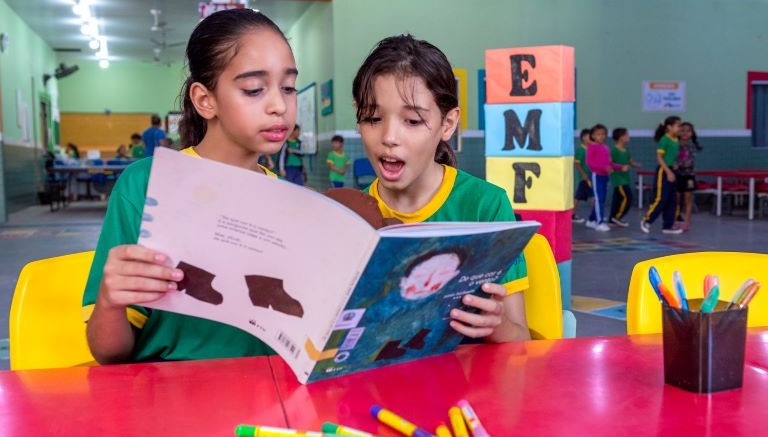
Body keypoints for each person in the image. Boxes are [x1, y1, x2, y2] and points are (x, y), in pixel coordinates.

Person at [82, 9, 298, 364]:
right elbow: (108, 353)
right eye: (254, 89)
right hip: (163, 396)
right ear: (204, 100)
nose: (280, 106)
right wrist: (109, 300)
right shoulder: (146, 185)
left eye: (288, 87)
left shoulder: (289, 199)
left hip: (267, 397)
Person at [353, 34, 530, 342]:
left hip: (467, 385)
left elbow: (520, 339)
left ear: (448, 124)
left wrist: (493, 325)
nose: (389, 136)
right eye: (373, 118)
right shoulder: (350, 216)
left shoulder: (485, 206)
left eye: (411, 121)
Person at [641, 116, 683, 234]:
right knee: (661, 198)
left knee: (672, 200)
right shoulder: (664, 139)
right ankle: (646, 221)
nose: (680, 128)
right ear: (669, 127)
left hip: (671, 170)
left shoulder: (676, 139)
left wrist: (674, 165)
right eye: (678, 125)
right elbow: (659, 157)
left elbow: (671, 156)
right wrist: (668, 171)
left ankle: (667, 226)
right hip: (663, 171)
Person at [585, 124, 620, 232]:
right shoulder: (591, 147)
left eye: (603, 134)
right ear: (593, 136)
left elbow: (609, 163)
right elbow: (590, 163)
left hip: (605, 176)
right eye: (598, 134)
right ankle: (600, 222)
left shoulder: (605, 147)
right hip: (597, 176)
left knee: (602, 199)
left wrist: (619, 167)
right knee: (599, 199)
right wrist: (604, 167)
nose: (601, 136)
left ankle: (591, 220)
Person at [608, 127, 641, 227]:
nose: (628, 137)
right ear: (621, 138)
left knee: (617, 200)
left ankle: (611, 219)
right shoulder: (614, 150)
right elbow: (609, 163)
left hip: (625, 178)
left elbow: (629, 161)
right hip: (619, 179)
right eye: (626, 135)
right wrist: (618, 168)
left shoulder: (625, 150)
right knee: (627, 197)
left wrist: (635, 164)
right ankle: (617, 217)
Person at [675, 121, 701, 232]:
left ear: (691, 133)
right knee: (676, 198)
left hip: (688, 176)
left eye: (688, 131)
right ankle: (675, 219)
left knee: (688, 198)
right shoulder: (674, 144)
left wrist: (678, 165)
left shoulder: (691, 146)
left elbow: (689, 161)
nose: (685, 133)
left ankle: (687, 222)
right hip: (676, 175)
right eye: (682, 130)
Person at [572, 129, 593, 223]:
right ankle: (596, 215)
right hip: (585, 178)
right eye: (589, 136)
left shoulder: (590, 149)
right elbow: (577, 163)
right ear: (584, 138)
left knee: (578, 197)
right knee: (593, 196)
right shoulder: (581, 150)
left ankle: (571, 215)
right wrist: (583, 174)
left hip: (590, 176)